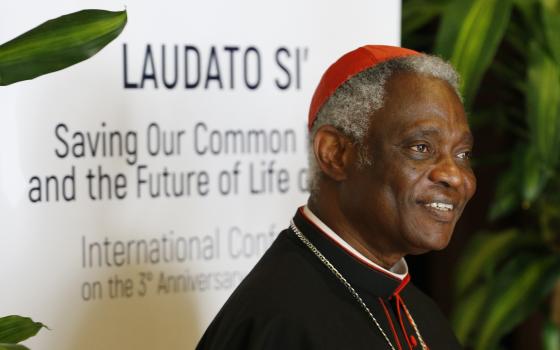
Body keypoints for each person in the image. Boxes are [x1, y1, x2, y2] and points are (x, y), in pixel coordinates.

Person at [196, 45, 476, 350]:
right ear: (335, 154)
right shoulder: (280, 322)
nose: (456, 176)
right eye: (421, 147)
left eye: (462, 154)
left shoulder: (420, 314)